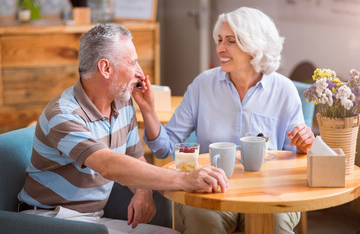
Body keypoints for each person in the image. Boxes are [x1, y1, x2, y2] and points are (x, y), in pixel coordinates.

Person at [17, 23, 228, 234]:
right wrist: (186, 179)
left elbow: (135, 158)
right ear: (106, 68)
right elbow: (107, 164)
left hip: (93, 220)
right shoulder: (63, 114)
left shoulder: (122, 103)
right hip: (50, 219)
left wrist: (144, 191)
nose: (140, 73)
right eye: (133, 62)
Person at [133, 7, 315, 234]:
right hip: (211, 192)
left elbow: (294, 158)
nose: (220, 48)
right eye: (219, 40)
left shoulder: (284, 90)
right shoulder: (203, 85)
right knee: (201, 218)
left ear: (254, 45)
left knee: (276, 222)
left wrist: (304, 144)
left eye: (230, 41)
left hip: (268, 193)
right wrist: (148, 110)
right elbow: (164, 149)